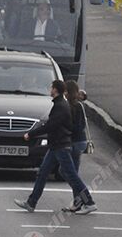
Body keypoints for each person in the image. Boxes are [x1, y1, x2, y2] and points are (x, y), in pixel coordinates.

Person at [14, 80, 97, 215]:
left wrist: (31, 134)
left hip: (61, 146)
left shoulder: (60, 106)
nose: (50, 89)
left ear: (55, 90)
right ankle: (31, 203)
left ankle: (89, 202)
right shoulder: (60, 105)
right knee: (43, 173)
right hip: (56, 146)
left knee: (70, 174)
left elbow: (51, 125)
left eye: (51, 87)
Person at [60, 80, 89, 181]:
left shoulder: (65, 106)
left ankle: (78, 188)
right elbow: (82, 125)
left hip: (70, 141)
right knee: (74, 167)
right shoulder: (79, 106)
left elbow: (67, 125)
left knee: (63, 170)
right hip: (81, 141)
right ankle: (77, 190)